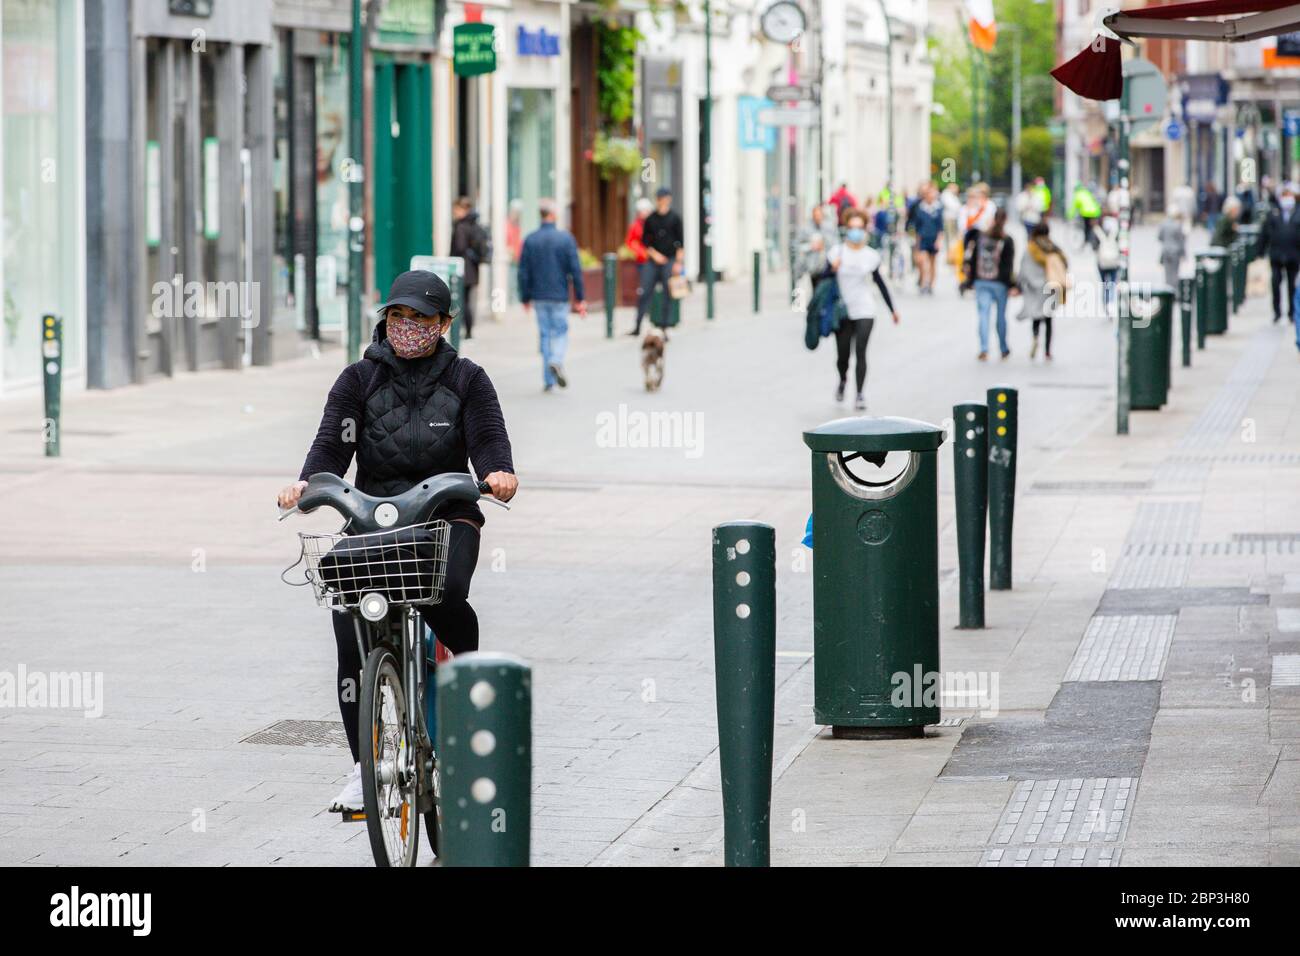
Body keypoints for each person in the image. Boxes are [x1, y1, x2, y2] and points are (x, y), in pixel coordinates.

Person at [276, 269, 519, 812]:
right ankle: (364, 766)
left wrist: (499, 472)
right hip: (374, 519)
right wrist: (305, 484)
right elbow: (331, 447)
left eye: (421, 318)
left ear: (445, 323)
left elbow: (488, 439)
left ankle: (467, 681)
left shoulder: (468, 379)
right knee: (346, 616)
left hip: (446, 515)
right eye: (398, 316)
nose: (408, 327)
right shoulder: (358, 380)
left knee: (448, 591)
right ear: (384, 319)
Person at [828, 209, 899, 411]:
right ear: (846, 229)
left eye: (860, 228)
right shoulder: (836, 252)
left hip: (865, 309)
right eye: (852, 228)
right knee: (843, 355)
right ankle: (842, 380)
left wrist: (892, 309)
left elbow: (880, 283)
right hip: (842, 311)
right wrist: (830, 269)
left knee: (861, 351)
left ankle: (859, 394)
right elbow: (822, 279)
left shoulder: (871, 255)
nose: (856, 232)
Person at [518, 197, 586, 391]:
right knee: (560, 332)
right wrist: (580, 298)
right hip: (559, 295)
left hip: (539, 296)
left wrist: (524, 297)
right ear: (554, 215)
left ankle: (549, 380)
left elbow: (523, 272)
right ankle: (556, 360)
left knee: (546, 334)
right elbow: (575, 270)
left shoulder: (530, 239)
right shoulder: (565, 239)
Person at [963, 207, 1017, 360]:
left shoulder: (981, 237)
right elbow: (1008, 266)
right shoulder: (1007, 240)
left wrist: (970, 280)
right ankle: (1003, 347)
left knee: (983, 315)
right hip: (1000, 283)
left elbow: (973, 259)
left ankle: (984, 348)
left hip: (981, 281)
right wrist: (1011, 285)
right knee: (1001, 317)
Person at [631, 186, 684, 335]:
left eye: (665, 198)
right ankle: (637, 325)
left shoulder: (675, 218)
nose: (662, 202)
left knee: (668, 293)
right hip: (653, 261)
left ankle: (665, 327)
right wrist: (655, 255)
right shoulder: (651, 219)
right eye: (660, 199)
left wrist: (678, 263)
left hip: (669, 259)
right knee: (645, 291)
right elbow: (645, 242)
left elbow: (680, 243)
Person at [1018, 222, 1067, 361]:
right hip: (1050, 287)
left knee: (1036, 317)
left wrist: (1018, 285)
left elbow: (1023, 269)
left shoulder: (1030, 249)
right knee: (1049, 319)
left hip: (1035, 288)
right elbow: (1064, 264)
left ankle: (1035, 338)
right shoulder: (1052, 248)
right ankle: (1047, 351)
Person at [449, 197, 491, 341]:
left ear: (463, 210)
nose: (454, 212)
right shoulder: (474, 225)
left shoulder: (461, 226)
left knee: (461, 301)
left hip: (462, 269)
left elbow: (459, 247)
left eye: (456, 210)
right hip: (473, 269)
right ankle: (468, 331)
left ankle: (462, 330)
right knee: (467, 301)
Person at [1261, 184, 1300, 323]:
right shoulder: (1273, 213)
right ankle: (1277, 311)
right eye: (1284, 195)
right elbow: (1265, 233)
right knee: (1275, 283)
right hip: (1276, 254)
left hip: (1293, 255)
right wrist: (1260, 252)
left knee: (1292, 285)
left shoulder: (1297, 212)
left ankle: (1291, 312)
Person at [908, 181, 944, 294]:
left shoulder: (938, 208)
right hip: (922, 238)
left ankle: (931, 284)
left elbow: (940, 227)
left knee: (933, 262)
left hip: (933, 238)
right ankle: (923, 282)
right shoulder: (919, 207)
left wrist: (939, 240)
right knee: (923, 262)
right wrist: (915, 239)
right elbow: (914, 225)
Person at [1094, 216, 1122, 319]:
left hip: (1102, 263)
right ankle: (1110, 303)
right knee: (1112, 284)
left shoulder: (1097, 232)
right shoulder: (1116, 233)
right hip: (1114, 262)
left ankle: (1106, 303)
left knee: (1105, 284)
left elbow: (1094, 247)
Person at [1157, 206, 1187, 290]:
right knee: (1175, 272)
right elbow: (1181, 241)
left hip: (1166, 251)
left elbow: (1159, 237)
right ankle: (1174, 291)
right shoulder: (1178, 225)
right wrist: (1184, 254)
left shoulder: (1163, 224)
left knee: (1167, 272)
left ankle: (1168, 289)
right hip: (1175, 251)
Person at [1072, 183, 1101, 249]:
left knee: (1087, 228)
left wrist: (1070, 216)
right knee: (1092, 227)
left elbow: (1074, 208)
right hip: (1095, 212)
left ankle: (1087, 241)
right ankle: (1093, 241)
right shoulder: (1086, 192)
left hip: (1087, 213)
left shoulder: (1078, 195)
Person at [625, 196, 652, 265]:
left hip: (652, 259)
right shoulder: (635, 226)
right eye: (643, 211)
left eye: (647, 211)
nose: (645, 213)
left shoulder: (653, 224)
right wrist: (642, 252)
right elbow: (630, 242)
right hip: (640, 261)